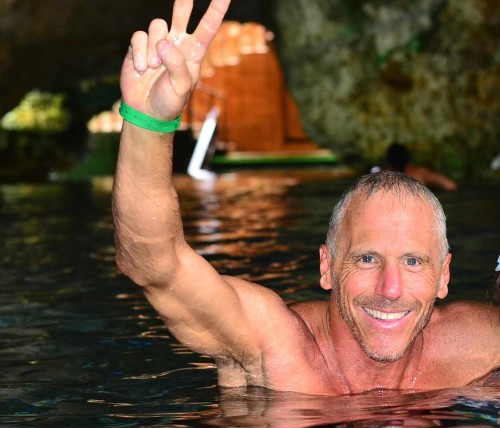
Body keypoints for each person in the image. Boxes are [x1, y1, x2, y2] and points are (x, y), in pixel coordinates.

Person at [112, 0, 499, 396]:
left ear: (444, 276)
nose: (391, 288)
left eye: (413, 261)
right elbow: (156, 266)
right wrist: (149, 122)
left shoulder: (477, 347)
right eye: (367, 258)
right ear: (326, 266)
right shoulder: (275, 347)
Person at [380, 143, 458, 191]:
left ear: (388, 161)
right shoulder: (420, 173)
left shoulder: (382, 175)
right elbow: (450, 185)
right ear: (408, 159)